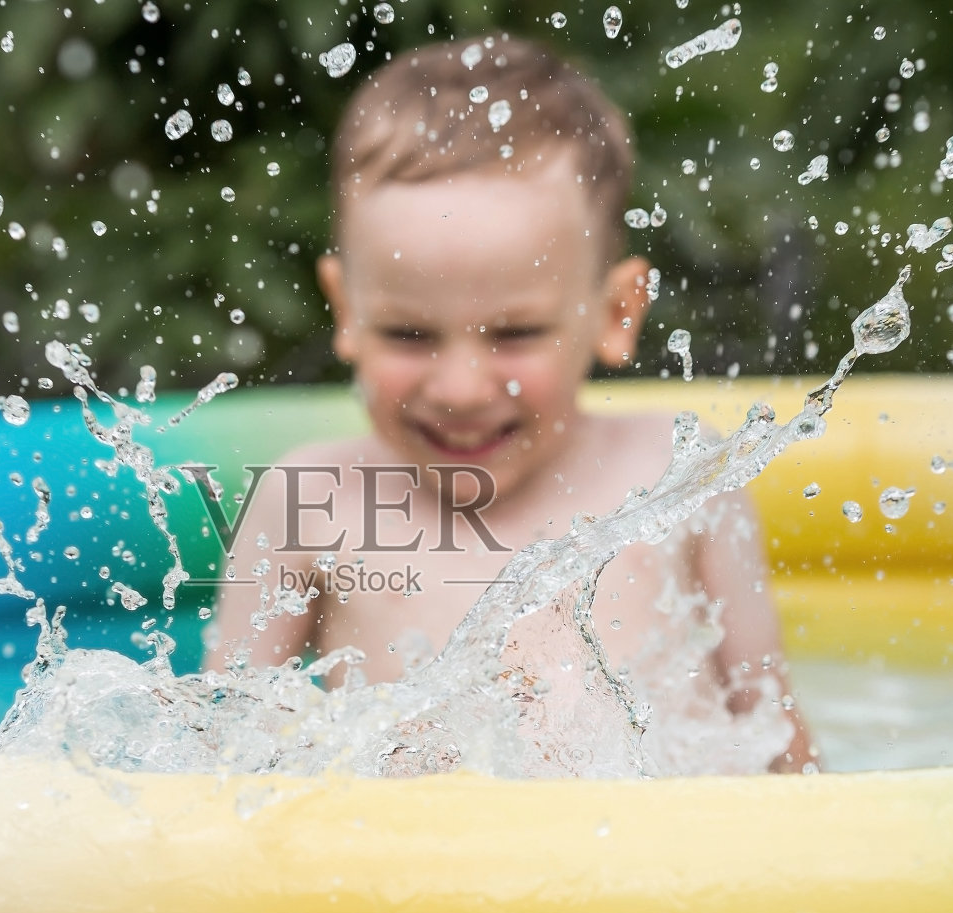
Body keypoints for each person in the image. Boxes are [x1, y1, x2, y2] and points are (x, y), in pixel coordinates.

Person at [202, 34, 814, 774]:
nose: (460, 387)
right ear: (348, 311)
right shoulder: (309, 506)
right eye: (408, 332)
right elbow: (222, 765)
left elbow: (779, 746)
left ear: (616, 313)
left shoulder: (682, 478)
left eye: (515, 332)